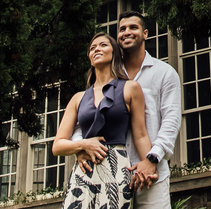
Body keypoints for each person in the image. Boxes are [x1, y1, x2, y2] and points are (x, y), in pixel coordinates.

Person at [53, 33, 155, 209]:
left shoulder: (130, 88)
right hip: (84, 172)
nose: (97, 49)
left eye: (103, 45)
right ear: (90, 58)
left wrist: (150, 162)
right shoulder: (78, 98)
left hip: (116, 167)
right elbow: (58, 146)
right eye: (92, 48)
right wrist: (83, 145)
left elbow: (140, 134)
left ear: (114, 53)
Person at [116, 10, 182, 209]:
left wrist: (152, 159)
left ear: (145, 33)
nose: (126, 32)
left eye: (133, 27)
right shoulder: (110, 75)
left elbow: (171, 121)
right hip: (114, 174)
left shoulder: (165, 73)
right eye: (122, 29)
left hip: (152, 174)